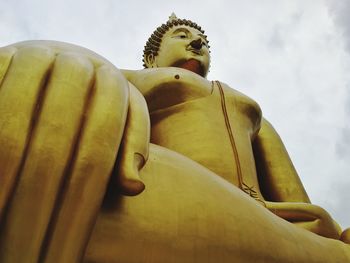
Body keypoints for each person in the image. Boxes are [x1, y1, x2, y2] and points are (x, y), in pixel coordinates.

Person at [0, 14, 349, 263]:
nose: (197, 43)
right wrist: (53, 61)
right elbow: (68, 66)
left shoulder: (249, 110)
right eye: (181, 36)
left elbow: (306, 210)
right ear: (153, 57)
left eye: (203, 43)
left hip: (273, 223)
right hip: (167, 189)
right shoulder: (137, 79)